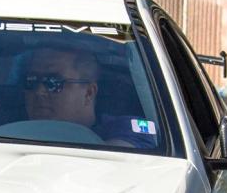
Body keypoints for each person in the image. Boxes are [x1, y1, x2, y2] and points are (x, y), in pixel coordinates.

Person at [16, 45, 158, 149]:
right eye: (31, 81)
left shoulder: (127, 129)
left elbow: (113, 161)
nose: (39, 91)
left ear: (89, 92)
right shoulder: (6, 127)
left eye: (53, 82)